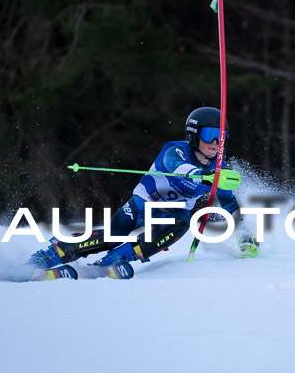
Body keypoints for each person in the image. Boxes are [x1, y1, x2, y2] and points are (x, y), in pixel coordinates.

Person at [28, 106, 258, 271]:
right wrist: (203, 175)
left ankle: (118, 258)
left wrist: (244, 236)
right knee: (113, 234)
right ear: (193, 135)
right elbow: (176, 167)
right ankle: (54, 253)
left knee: (182, 223)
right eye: (210, 136)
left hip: (172, 213)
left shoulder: (220, 168)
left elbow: (229, 204)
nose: (216, 144)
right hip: (145, 202)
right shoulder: (176, 150)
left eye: (222, 137)